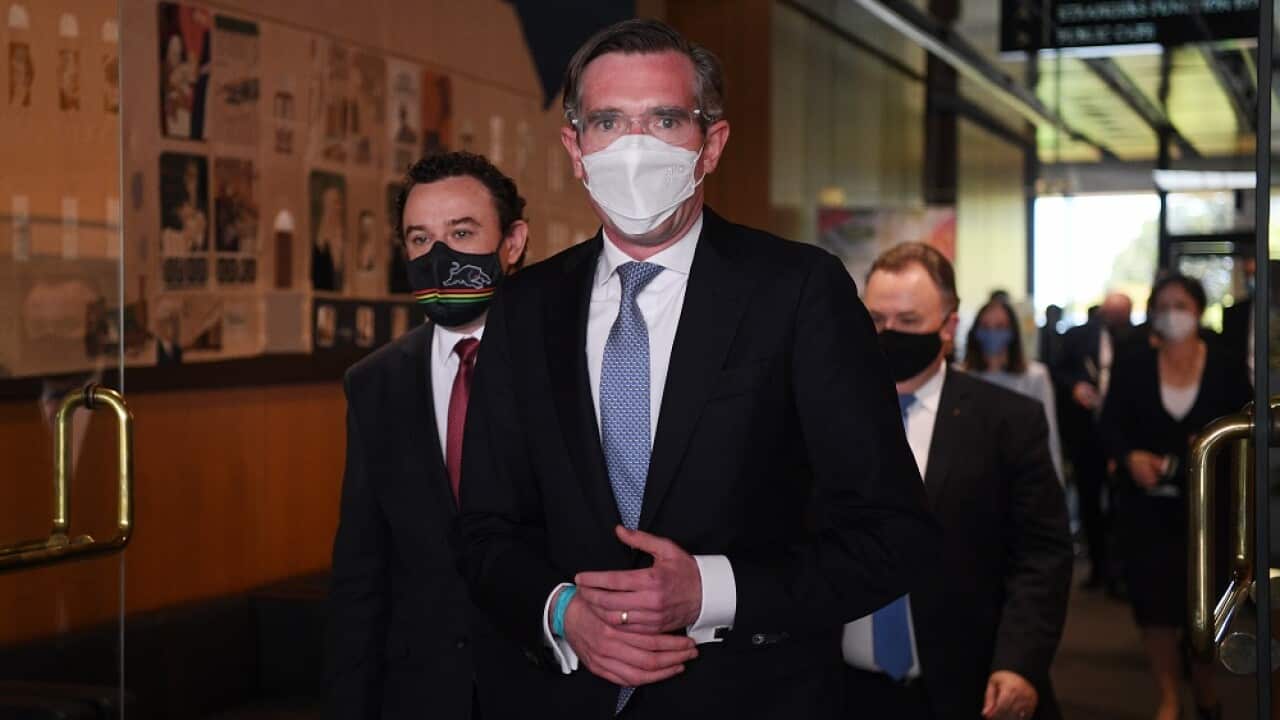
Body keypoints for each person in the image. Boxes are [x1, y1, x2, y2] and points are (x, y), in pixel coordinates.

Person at [457, 19, 937, 720]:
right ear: (575, 148)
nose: (635, 148)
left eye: (664, 120)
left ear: (710, 144)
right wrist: (562, 612)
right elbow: (483, 529)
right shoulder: (525, 308)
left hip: (750, 697)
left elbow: (892, 533)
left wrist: (712, 591)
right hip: (563, 698)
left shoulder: (798, 292)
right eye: (608, 122)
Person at [327, 151, 531, 720]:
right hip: (420, 694)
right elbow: (360, 572)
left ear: (512, 243)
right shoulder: (374, 383)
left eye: (461, 233)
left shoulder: (563, 364)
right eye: (420, 239)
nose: (439, 256)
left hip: (542, 685)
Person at [851, 243, 1072, 720]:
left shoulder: (1008, 420)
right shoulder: (821, 413)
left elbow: (1042, 554)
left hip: (967, 684)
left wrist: (1020, 662)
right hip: (840, 689)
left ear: (949, 327)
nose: (889, 334)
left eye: (909, 321)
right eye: (876, 320)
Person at [1100, 274, 1251, 720]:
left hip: (1208, 511)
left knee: (1202, 606)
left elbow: (1247, 429)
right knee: (1154, 608)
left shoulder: (1225, 365)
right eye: (1163, 306)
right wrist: (1129, 457)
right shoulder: (1133, 365)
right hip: (1146, 509)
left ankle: (1205, 690)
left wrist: (1206, 449)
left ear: (1198, 310)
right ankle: (1168, 696)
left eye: (1180, 305)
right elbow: (1110, 426)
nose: (1172, 314)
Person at [1055, 292, 1132, 593]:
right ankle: (1099, 568)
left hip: (1123, 435)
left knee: (1122, 505)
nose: (1118, 321)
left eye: (1123, 316)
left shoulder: (1136, 339)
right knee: (1089, 501)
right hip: (1085, 433)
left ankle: (1120, 572)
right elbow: (1058, 371)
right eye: (1114, 315)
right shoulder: (1078, 337)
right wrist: (1075, 387)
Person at [963, 296, 1065, 483]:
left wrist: (1056, 483)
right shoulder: (962, 375)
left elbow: (1049, 434)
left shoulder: (1035, 376)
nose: (992, 333)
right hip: (973, 474)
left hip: (1021, 472)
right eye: (986, 326)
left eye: (1000, 326)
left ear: (1012, 332)